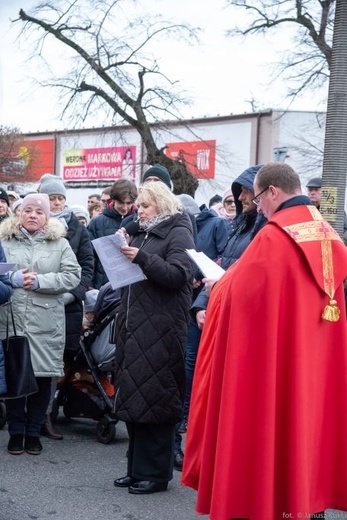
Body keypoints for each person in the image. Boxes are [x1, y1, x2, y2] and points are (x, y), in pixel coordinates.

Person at [182, 162, 347, 520]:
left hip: (276, 357)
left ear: (273, 192)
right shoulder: (327, 233)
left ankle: (274, 499)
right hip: (311, 355)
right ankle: (305, 498)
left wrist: (218, 286)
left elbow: (239, 294)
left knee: (271, 423)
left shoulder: (275, 237)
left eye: (258, 198)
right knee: (306, 420)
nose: (258, 207)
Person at [174, 164, 266, 470]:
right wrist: (200, 305)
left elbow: (245, 278)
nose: (240, 198)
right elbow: (221, 265)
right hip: (214, 310)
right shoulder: (240, 227)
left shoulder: (264, 232)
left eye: (246, 191)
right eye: (238, 191)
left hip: (237, 318)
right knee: (198, 375)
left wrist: (215, 295)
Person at [113, 181, 195, 495]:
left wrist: (142, 259)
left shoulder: (178, 232)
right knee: (136, 397)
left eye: (145, 206)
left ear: (160, 204)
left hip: (161, 329)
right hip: (136, 326)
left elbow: (179, 275)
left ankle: (156, 474)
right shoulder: (142, 231)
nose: (139, 211)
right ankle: (136, 469)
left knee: (157, 399)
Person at [0, 193, 81, 456]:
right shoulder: (4, 239)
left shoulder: (60, 243)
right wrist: (12, 277)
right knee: (14, 376)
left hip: (46, 321)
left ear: (47, 217)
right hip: (11, 318)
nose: (32, 215)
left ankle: (34, 432)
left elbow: (72, 276)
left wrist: (39, 282)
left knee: (43, 377)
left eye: (39, 211)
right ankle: (16, 432)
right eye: (27, 210)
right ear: (19, 213)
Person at [38, 176, 94, 440]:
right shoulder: (35, 224)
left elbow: (87, 268)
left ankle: (48, 413)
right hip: (36, 304)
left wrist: (71, 296)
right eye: (51, 198)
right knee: (33, 360)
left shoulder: (79, 230)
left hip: (66, 308)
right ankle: (30, 414)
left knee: (58, 363)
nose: (56, 201)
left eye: (60, 197)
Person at [88, 179, 137, 289]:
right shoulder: (97, 223)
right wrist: (90, 285)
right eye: (121, 203)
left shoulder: (140, 221)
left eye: (129, 203)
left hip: (133, 285)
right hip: (103, 286)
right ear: (113, 200)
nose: (125, 208)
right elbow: (90, 256)